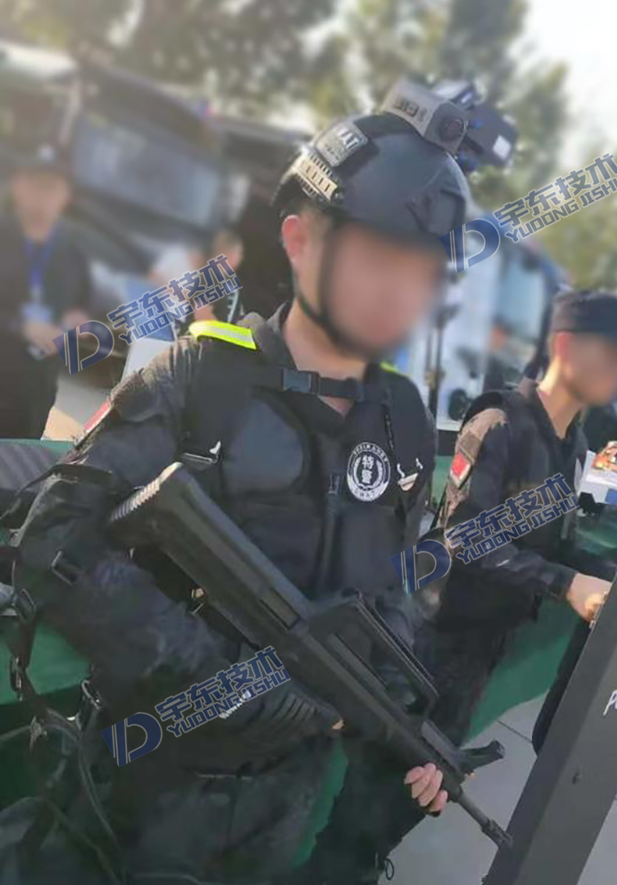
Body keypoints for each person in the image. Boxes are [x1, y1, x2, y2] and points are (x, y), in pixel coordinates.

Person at [0, 106, 471, 884]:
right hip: (138, 785)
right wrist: (236, 683)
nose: (403, 290)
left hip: (280, 808)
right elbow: (55, 544)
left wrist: (403, 726)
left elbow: (387, 592)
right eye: (380, 255)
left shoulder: (405, 421)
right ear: (300, 239)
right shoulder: (200, 377)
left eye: (426, 271)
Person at [292, 290, 617, 884]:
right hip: (430, 641)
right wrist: (565, 582)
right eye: (613, 353)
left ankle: (364, 863)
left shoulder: (572, 446)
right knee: (375, 789)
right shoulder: (499, 426)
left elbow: (551, 541)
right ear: (566, 347)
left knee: (427, 783)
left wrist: (610, 573)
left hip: (483, 647)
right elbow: (466, 539)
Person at [0, 144, 92, 438]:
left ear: (66, 196)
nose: (42, 196)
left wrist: (76, 322)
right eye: (35, 185)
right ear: (17, 187)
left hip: (37, 388)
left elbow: (82, 303)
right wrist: (20, 325)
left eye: (51, 188)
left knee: (22, 459)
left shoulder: (72, 251)